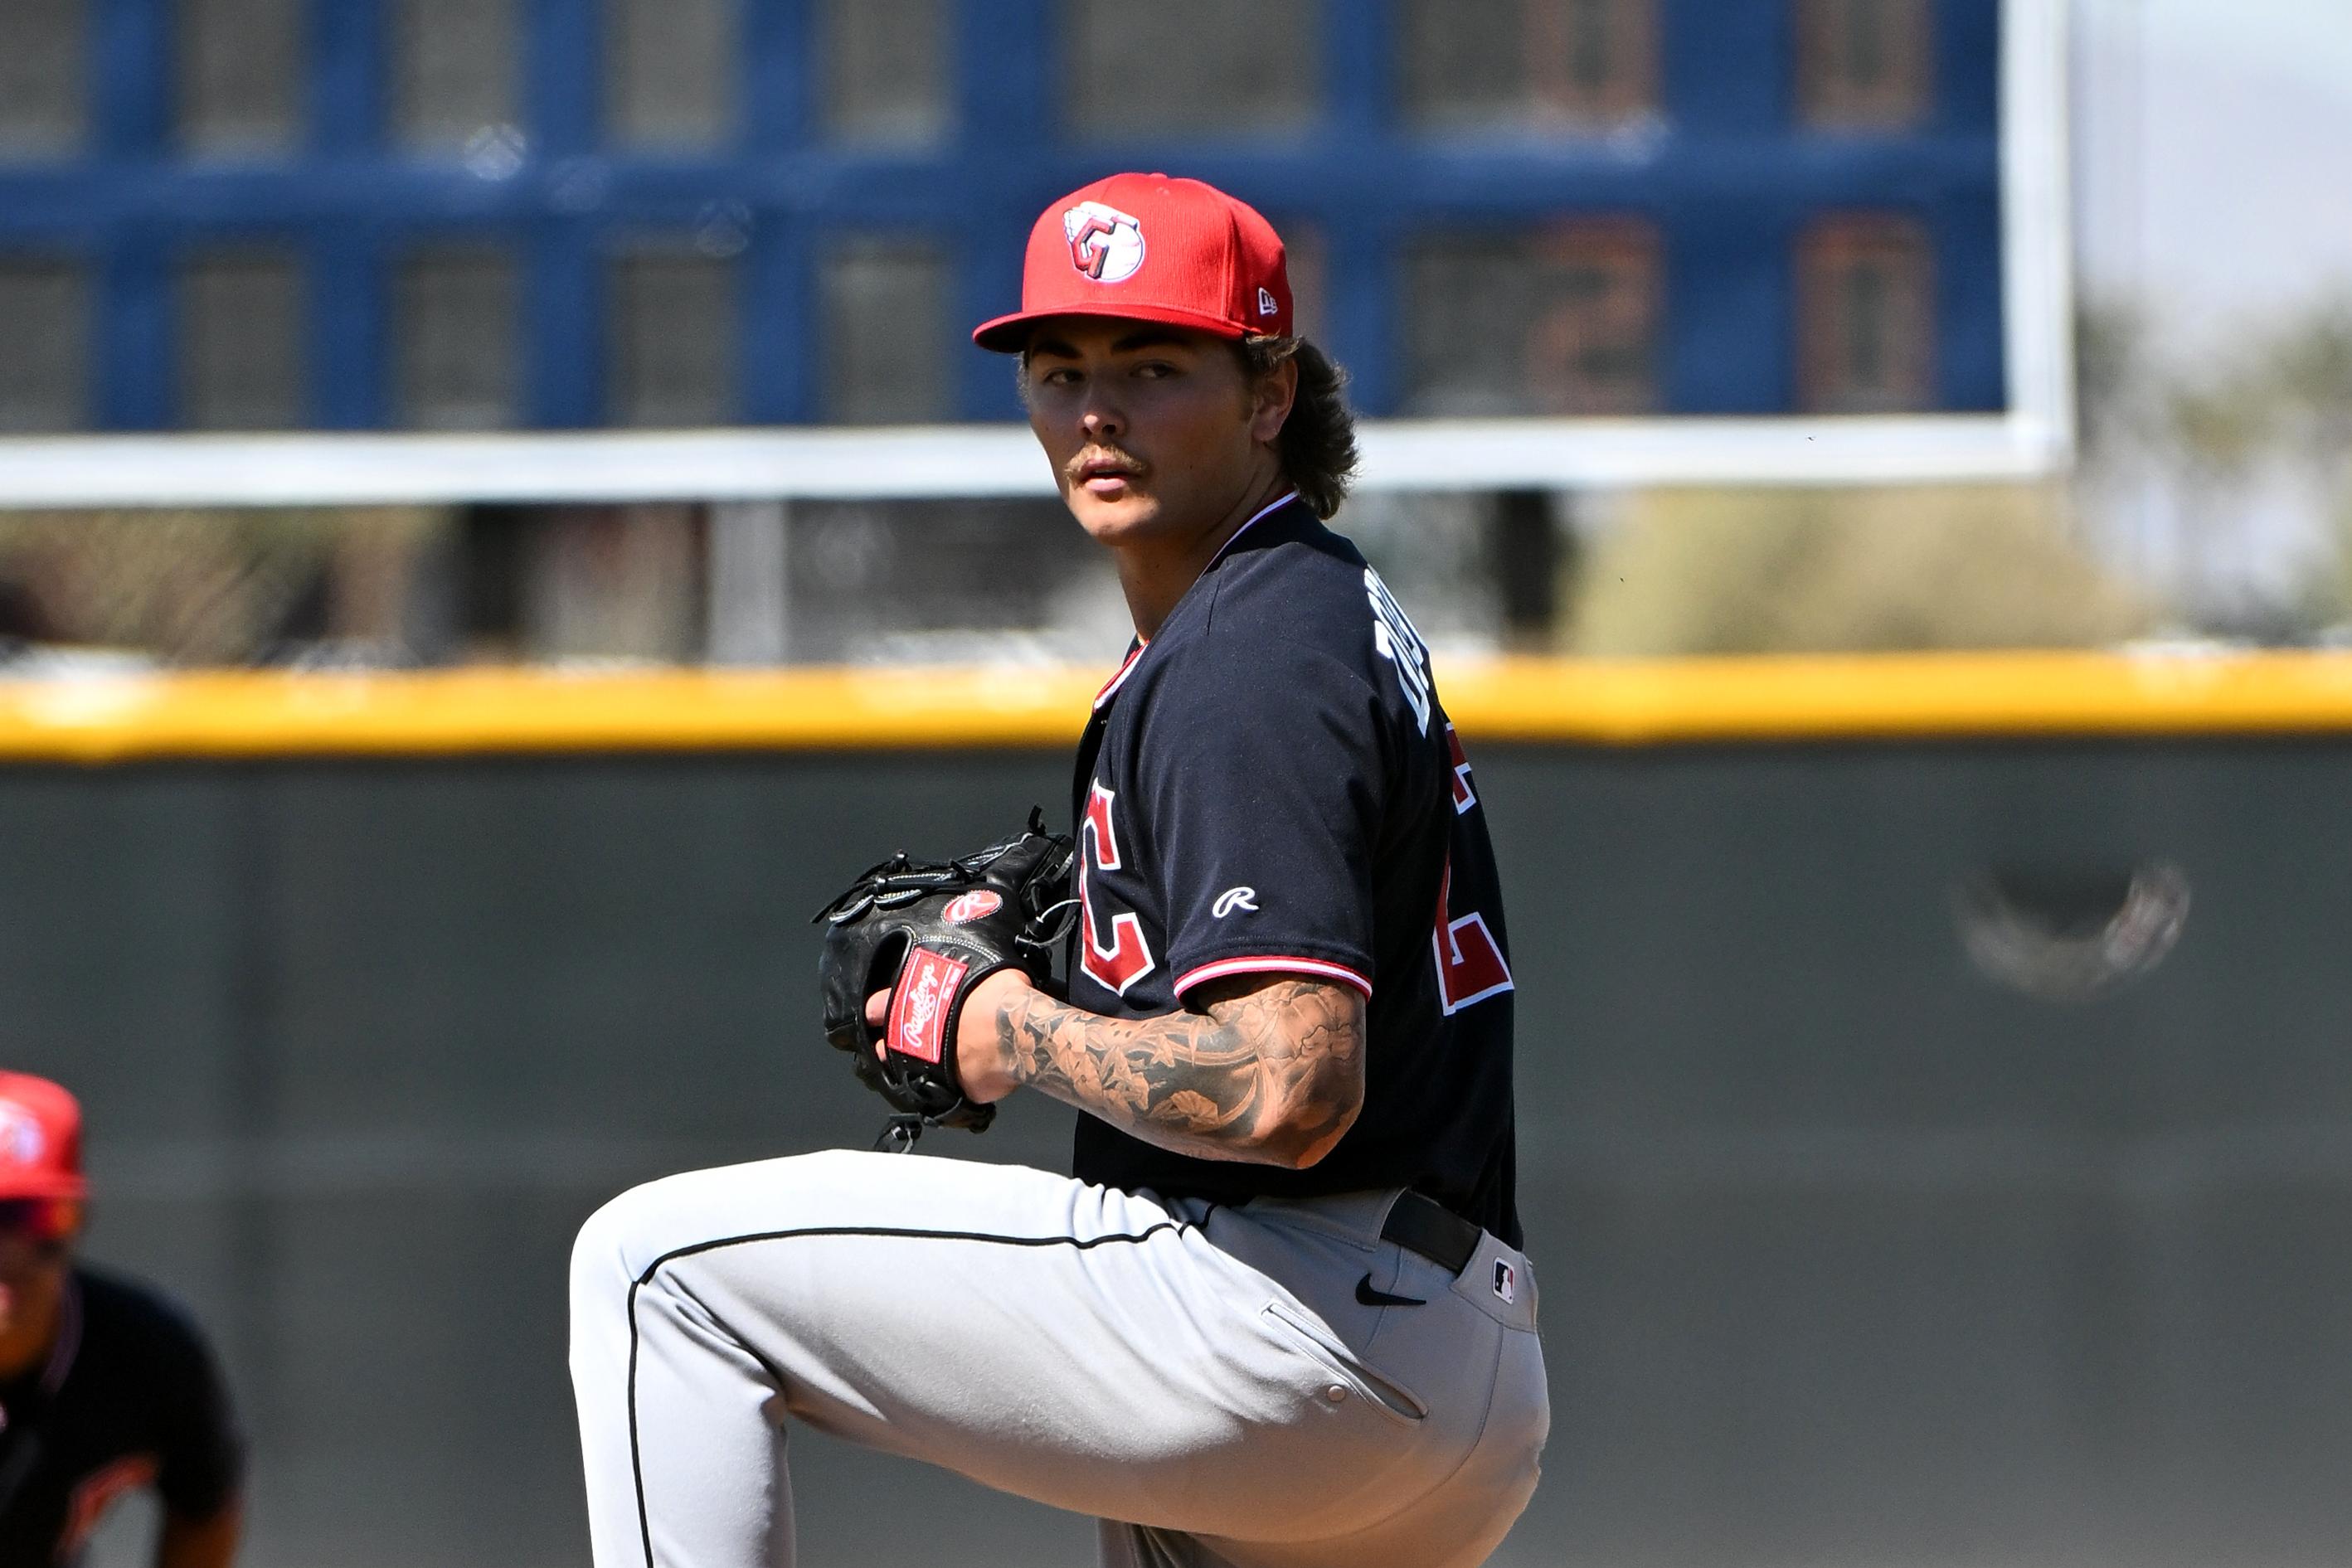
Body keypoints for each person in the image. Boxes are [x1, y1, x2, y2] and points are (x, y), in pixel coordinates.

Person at [569, 172, 1546, 1568]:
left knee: (655, 1273)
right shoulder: (1312, 603)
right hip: (1443, 1363)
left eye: (1153, 368)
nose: (1097, 412)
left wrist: (1000, 1023)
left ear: (1268, 395)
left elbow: (1292, 1085)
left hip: (1297, 1318)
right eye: (1059, 369)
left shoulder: (1246, 651)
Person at [0, 1073, 243, 1568]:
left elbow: (205, 1508)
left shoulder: (142, 1351)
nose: (10, 1250)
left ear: (78, 1221)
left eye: (35, 1215)